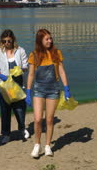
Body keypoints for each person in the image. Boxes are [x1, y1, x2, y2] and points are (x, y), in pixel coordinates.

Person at [26, 29, 72, 158]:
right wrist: (28, 91)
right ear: (40, 40)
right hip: (38, 89)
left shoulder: (57, 53)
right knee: (37, 119)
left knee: (50, 119)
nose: (50, 41)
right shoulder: (34, 55)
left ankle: (47, 146)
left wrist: (67, 87)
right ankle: (37, 145)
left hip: (53, 89)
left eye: (50, 38)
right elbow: (30, 74)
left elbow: (62, 71)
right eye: (47, 39)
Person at [0, 29, 30, 144]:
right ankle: (6, 134)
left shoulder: (20, 51)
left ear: (13, 40)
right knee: (5, 111)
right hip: (5, 86)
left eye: (8, 41)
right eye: (4, 41)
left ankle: (22, 128)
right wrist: (0, 74)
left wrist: (21, 69)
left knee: (20, 109)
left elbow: (26, 65)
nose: (6, 43)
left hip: (18, 84)